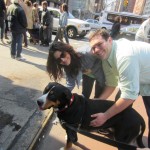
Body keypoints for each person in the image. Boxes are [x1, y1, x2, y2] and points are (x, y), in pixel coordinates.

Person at [89, 29, 150, 147]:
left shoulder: (124, 56)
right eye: (93, 48)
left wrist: (105, 116)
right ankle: (120, 129)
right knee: (118, 103)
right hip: (141, 76)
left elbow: (129, 96)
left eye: (99, 44)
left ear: (110, 40)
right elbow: (111, 83)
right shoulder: (106, 57)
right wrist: (96, 102)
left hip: (147, 77)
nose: (96, 50)